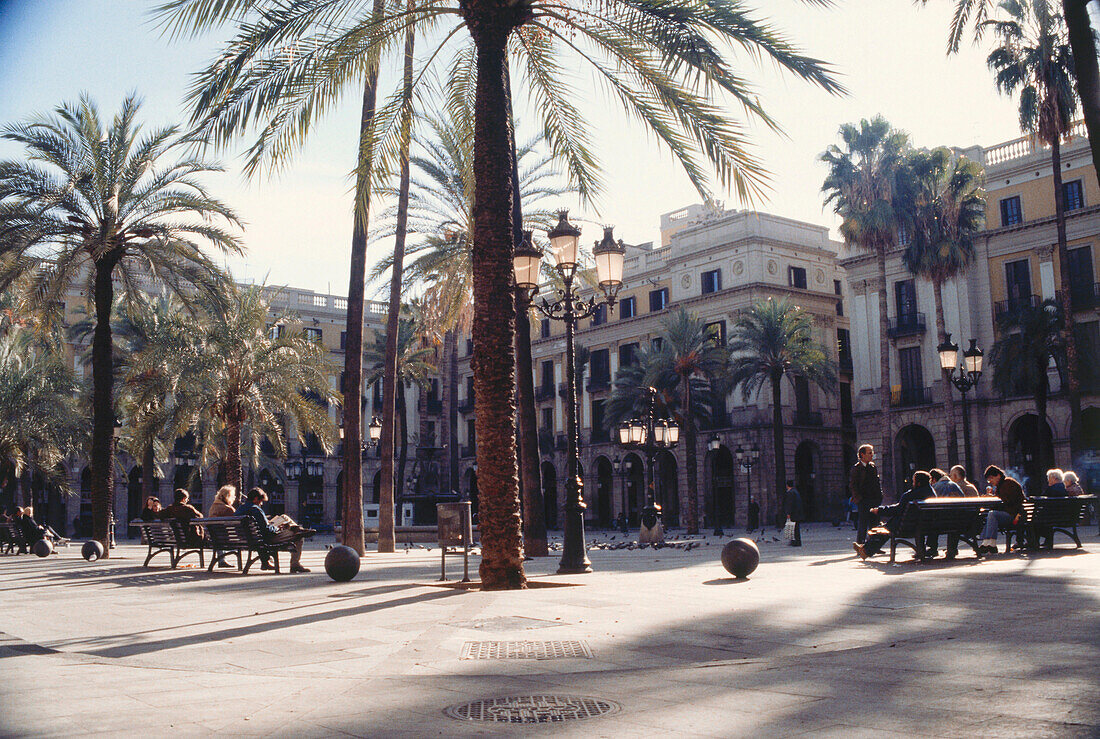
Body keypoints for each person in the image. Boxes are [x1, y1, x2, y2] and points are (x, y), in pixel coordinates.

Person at [853, 470, 936, 560]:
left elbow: (897, 510)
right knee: (887, 526)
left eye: (913, 481)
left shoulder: (909, 495)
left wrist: (880, 510)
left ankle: (866, 550)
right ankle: (865, 548)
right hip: (927, 526)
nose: (913, 483)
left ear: (918, 483)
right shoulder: (932, 494)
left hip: (906, 527)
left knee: (885, 528)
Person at [237, 487, 312, 573]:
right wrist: (277, 528)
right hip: (267, 539)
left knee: (284, 517)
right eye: (261, 501)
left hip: (249, 538)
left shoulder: (240, 509)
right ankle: (295, 564)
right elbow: (268, 531)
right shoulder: (256, 509)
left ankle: (297, 528)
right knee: (299, 536)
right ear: (255, 499)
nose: (261, 504)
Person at [977, 465, 1026, 555]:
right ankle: (986, 543)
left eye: (991, 478)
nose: (990, 481)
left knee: (992, 514)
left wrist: (993, 498)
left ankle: (991, 544)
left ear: (998, 475)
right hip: (1013, 514)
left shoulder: (1008, 483)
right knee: (990, 515)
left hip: (1016, 517)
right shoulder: (1002, 485)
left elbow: (1006, 502)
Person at [849, 444, 883, 545]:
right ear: (862, 454)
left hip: (874, 499)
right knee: (863, 522)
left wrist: (880, 496)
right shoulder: (856, 468)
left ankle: (874, 545)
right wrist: (858, 498)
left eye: (872, 452)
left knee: (875, 522)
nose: (872, 455)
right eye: (869, 453)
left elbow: (877, 483)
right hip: (863, 500)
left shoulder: (873, 467)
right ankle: (860, 544)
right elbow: (852, 485)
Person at [784, 480, 802, 546]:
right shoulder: (796, 492)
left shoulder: (790, 493)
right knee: (796, 528)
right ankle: (798, 541)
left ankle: (794, 542)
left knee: (792, 528)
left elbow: (789, 504)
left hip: (793, 513)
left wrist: (788, 513)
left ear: (787, 485)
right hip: (797, 513)